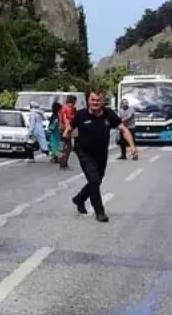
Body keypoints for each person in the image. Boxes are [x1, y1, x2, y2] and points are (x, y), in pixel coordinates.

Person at [65, 90, 137, 223]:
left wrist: (132, 146)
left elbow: (124, 129)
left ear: (103, 101)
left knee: (97, 180)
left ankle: (79, 199)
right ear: (88, 100)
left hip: (101, 154)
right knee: (94, 180)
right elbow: (70, 125)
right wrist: (66, 132)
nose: (95, 103)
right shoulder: (81, 114)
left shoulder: (109, 114)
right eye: (93, 100)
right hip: (84, 152)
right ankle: (100, 211)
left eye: (98, 100)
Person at [56, 94, 77, 170]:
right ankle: (63, 163)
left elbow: (60, 117)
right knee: (68, 147)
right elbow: (67, 120)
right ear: (73, 101)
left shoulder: (62, 108)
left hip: (61, 128)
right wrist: (67, 130)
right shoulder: (69, 109)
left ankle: (60, 160)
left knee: (62, 146)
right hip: (66, 129)